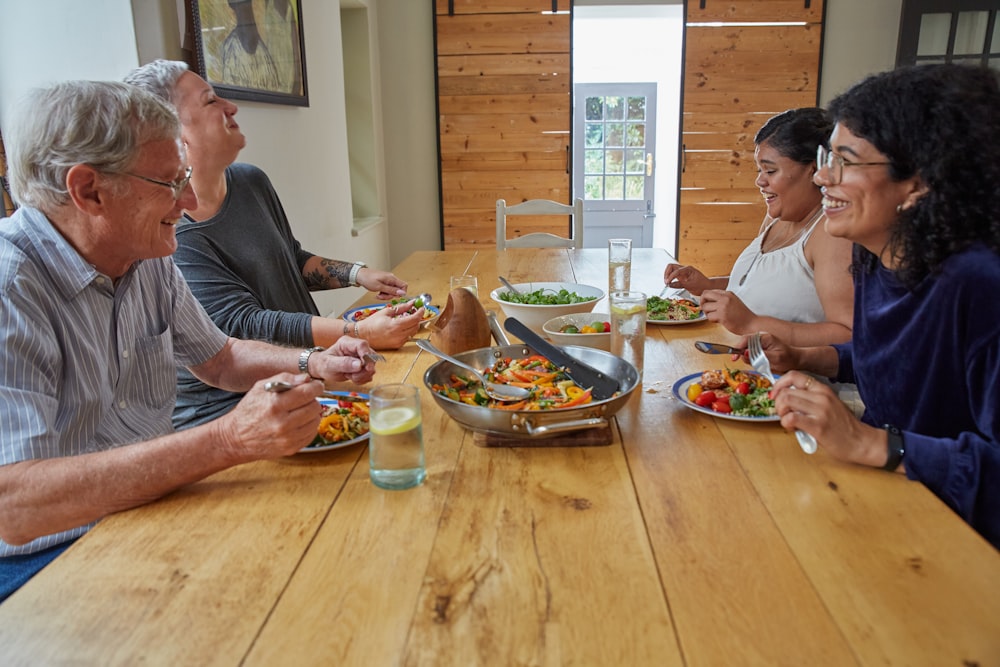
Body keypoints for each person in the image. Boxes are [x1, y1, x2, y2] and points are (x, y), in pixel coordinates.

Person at [0, 81, 377, 600]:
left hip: (151, 504)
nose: (191, 200)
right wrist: (228, 440)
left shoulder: (146, 251)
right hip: (45, 558)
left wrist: (313, 360)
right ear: (88, 191)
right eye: (170, 182)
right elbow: (15, 505)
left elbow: (219, 359)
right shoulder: (10, 289)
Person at [758, 64, 1000, 548]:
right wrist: (807, 357)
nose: (823, 176)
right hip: (884, 493)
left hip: (958, 539)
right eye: (829, 155)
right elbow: (898, 362)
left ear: (919, 182)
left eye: (846, 160)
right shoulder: (877, 257)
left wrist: (871, 443)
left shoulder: (981, 286)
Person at [124, 59, 422, 430]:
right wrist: (358, 332)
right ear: (174, 134)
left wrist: (359, 274)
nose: (230, 107)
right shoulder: (174, 234)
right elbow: (244, 324)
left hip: (306, 383)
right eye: (211, 101)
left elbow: (289, 260)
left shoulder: (250, 181)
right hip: (233, 414)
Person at [663, 108, 854, 347]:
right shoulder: (777, 218)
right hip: (735, 363)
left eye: (770, 171)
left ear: (815, 170)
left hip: (786, 378)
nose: (759, 181)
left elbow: (848, 336)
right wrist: (708, 286)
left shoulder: (830, 235)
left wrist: (752, 324)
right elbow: (761, 287)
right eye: (759, 170)